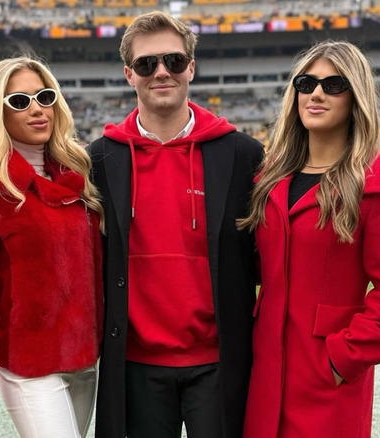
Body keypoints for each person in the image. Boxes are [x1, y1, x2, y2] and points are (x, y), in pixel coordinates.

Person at [87, 11, 265, 438]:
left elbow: (264, 255)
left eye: (174, 61)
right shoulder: (100, 159)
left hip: (220, 360)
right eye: (148, 64)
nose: (162, 72)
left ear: (191, 67)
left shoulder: (242, 154)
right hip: (135, 364)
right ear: (130, 74)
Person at [238, 40, 380, 438]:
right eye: (306, 83)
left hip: (326, 379)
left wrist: (342, 361)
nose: (317, 93)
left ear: (356, 97)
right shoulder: (268, 177)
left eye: (334, 85)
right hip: (263, 371)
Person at [0, 55, 104, 438]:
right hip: (28, 368)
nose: (37, 109)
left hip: (85, 364)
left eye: (44, 97)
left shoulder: (75, 173)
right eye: (19, 101)